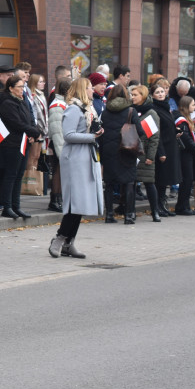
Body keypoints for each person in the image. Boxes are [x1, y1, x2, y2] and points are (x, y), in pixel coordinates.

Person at [48, 77, 104, 258]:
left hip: (85, 158)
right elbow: (69, 134)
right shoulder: (73, 109)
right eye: (89, 88)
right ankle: (59, 238)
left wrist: (96, 133)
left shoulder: (87, 109)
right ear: (82, 89)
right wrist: (92, 137)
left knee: (81, 203)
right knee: (75, 202)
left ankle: (69, 242)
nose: (92, 91)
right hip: (75, 159)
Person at [0, 75, 43, 220]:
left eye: (23, 87)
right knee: (11, 175)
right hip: (12, 143)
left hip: (23, 142)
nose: (22, 90)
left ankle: (16, 206)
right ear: (10, 88)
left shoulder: (22, 100)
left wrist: (32, 132)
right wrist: (33, 132)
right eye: (19, 87)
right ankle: (7, 206)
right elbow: (16, 123)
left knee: (19, 174)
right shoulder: (7, 103)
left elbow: (29, 119)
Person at [99, 84, 138, 224]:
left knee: (109, 183)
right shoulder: (130, 111)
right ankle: (128, 216)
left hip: (109, 151)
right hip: (126, 150)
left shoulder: (105, 111)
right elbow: (140, 131)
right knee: (128, 183)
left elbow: (101, 131)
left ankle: (109, 215)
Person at [131, 85, 162, 223]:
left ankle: (155, 212)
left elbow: (154, 138)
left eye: (135, 95)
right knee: (131, 184)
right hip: (132, 152)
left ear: (142, 96)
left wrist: (150, 156)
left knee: (149, 183)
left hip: (145, 153)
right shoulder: (131, 111)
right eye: (131, 94)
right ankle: (130, 212)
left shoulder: (151, 113)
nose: (132, 97)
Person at [150, 79, 178, 218]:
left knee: (166, 180)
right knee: (160, 180)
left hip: (170, 146)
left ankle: (163, 205)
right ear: (152, 95)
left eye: (162, 91)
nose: (161, 94)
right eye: (157, 92)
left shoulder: (165, 106)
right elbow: (156, 131)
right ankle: (158, 206)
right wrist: (160, 151)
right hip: (162, 148)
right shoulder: (154, 109)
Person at [46, 77, 69, 212]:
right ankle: (54, 199)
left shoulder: (63, 103)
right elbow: (57, 130)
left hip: (62, 143)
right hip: (58, 143)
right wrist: (61, 152)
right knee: (57, 172)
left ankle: (59, 198)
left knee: (61, 172)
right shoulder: (57, 105)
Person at [173, 95, 195, 215]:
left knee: (188, 180)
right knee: (187, 180)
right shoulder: (181, 120)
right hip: (184, 154)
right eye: (193, 104)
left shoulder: (185, 118)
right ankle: (182, 206)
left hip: (187, 153)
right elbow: (186, 138)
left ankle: (185, 205)